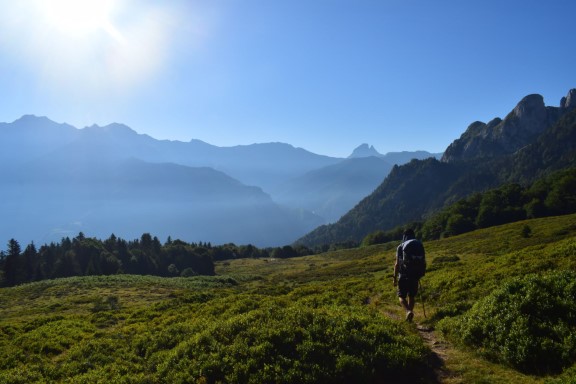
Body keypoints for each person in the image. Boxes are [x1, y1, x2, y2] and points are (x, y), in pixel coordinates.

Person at [393, 228, 426, 322]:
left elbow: (397, 264)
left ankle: (408, 311)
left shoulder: (400, 247)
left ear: (404, 236)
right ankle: (409, 317)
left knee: (401, 296)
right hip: (415, 274)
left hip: (403, 275)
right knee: (411, 296)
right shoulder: (418, 244)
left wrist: (394, 278)